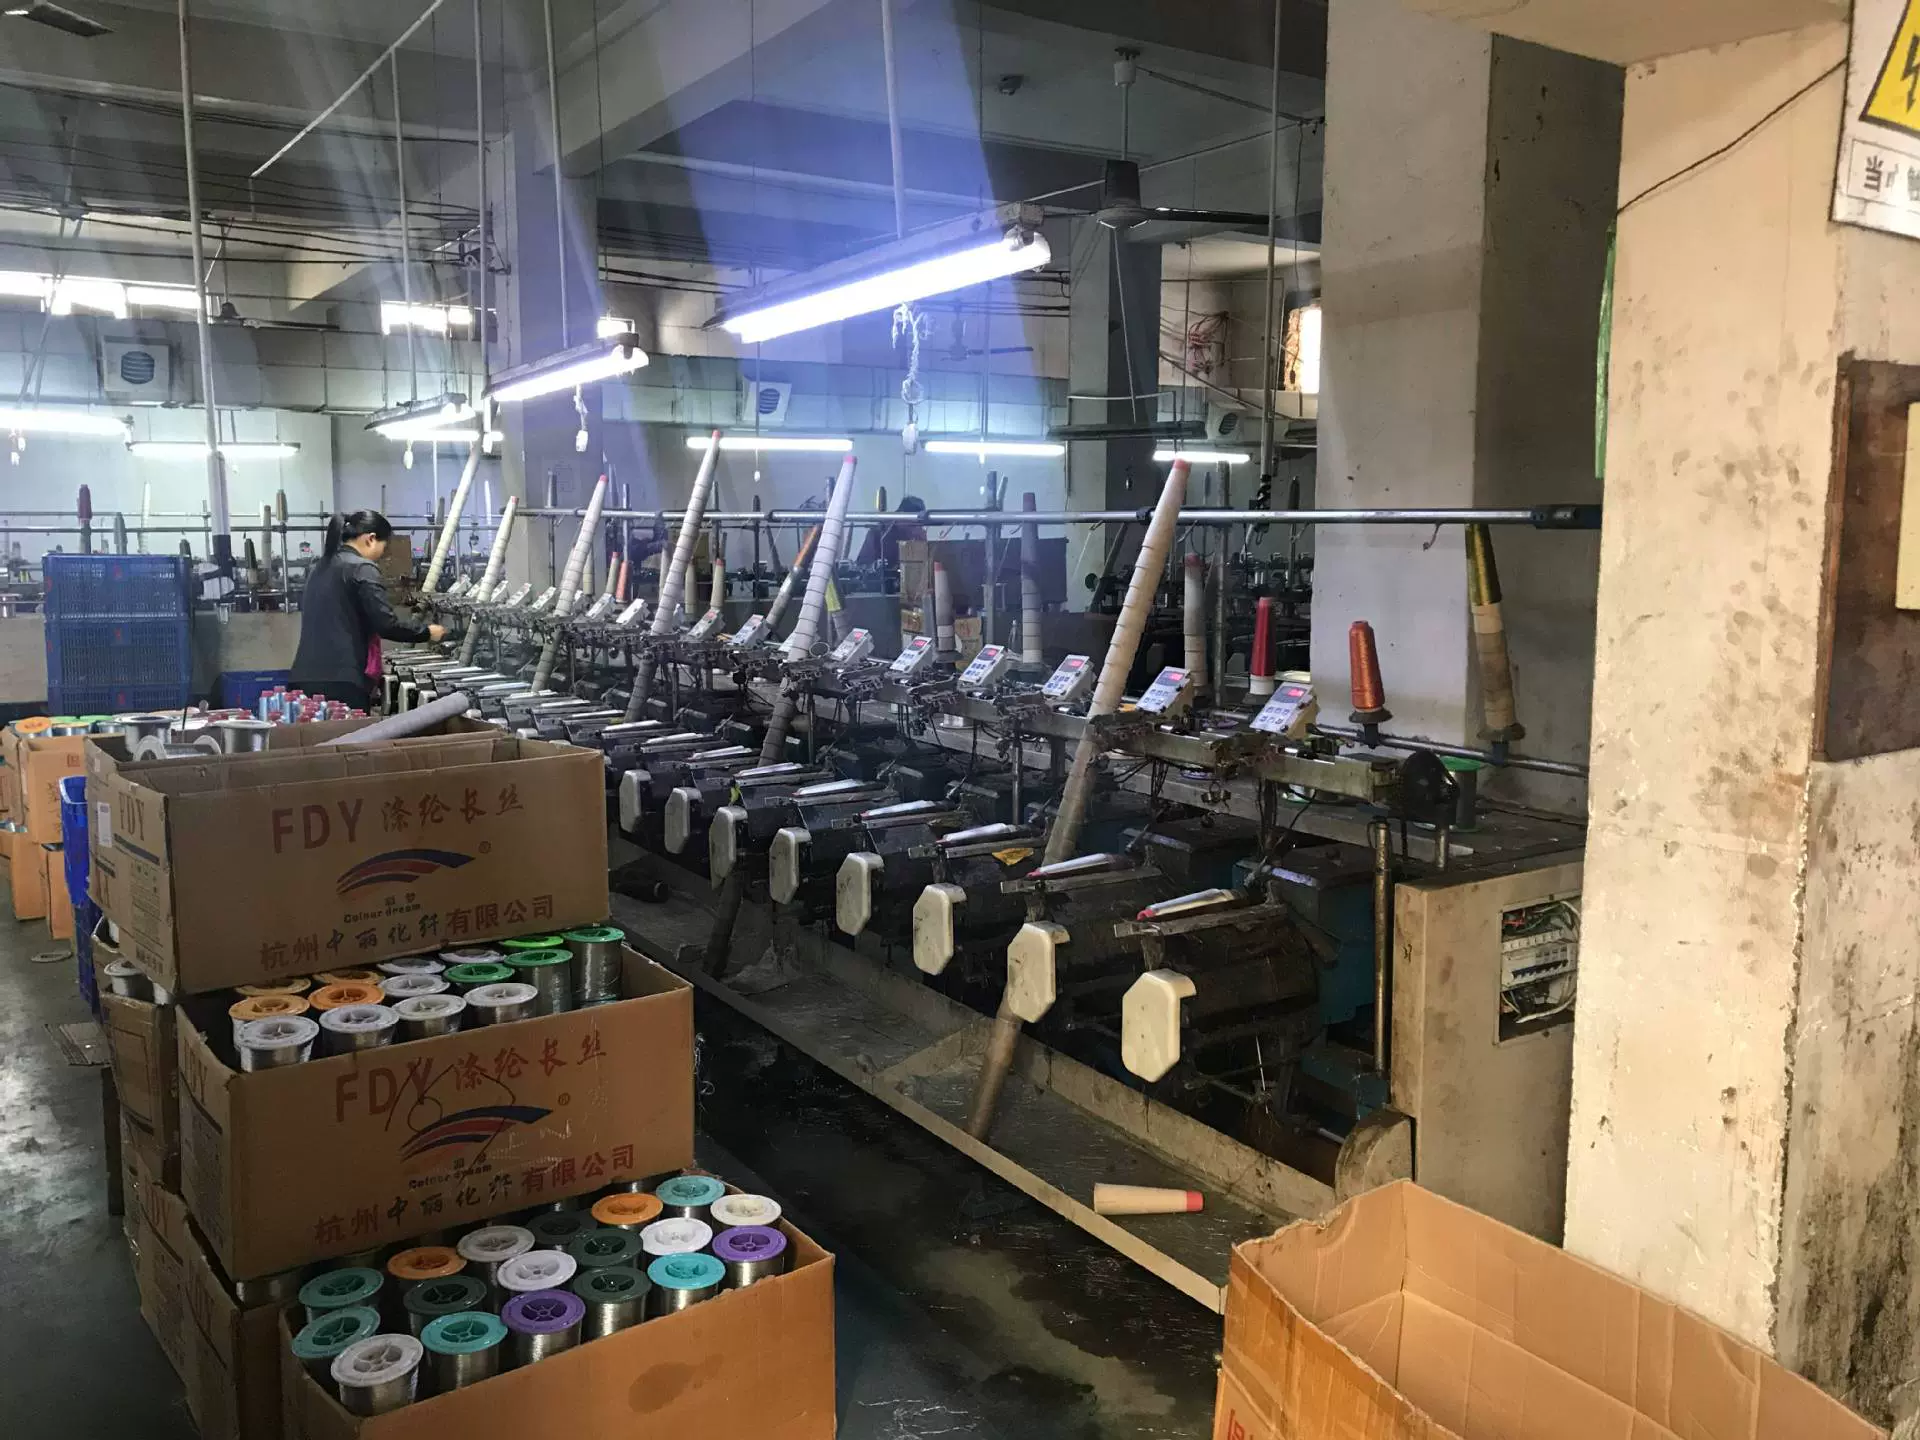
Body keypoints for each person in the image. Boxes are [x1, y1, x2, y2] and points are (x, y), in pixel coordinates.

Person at [290, 510, 444, 709]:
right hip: (341, 683)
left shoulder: (318, 568)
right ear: (371, 539)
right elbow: (386, 624)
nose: (382, 555)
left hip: (302, 679)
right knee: (348, 730)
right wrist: (427, 632)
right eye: (384, 547)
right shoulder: (362, 568)